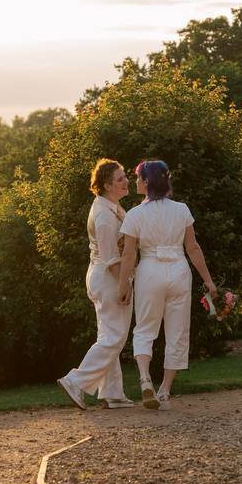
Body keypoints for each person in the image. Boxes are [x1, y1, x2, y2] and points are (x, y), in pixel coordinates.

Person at [117, 160, 217, 411]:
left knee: (145, 328)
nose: (136, 182)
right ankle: (164, 391)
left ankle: (144, 378)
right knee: (178, 331)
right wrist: (209, 281)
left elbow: (129, 255)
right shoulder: (181, 209)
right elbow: (192, 248)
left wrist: (123, 285)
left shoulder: (135, 214)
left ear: (147, 182)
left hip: (150, 270)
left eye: (138, 178)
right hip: (179, 270)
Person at [57, 159, 136, 410]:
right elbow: (111, 258)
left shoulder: (112, 207)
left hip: (103, 276)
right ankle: (76, 382)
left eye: (125, 176)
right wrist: (125, 285)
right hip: (108, 277)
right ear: (106, 184)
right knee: (114, 337)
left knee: (108, 335)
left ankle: (112, 393)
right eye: (120, 178)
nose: (126, 181)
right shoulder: (103, 215)